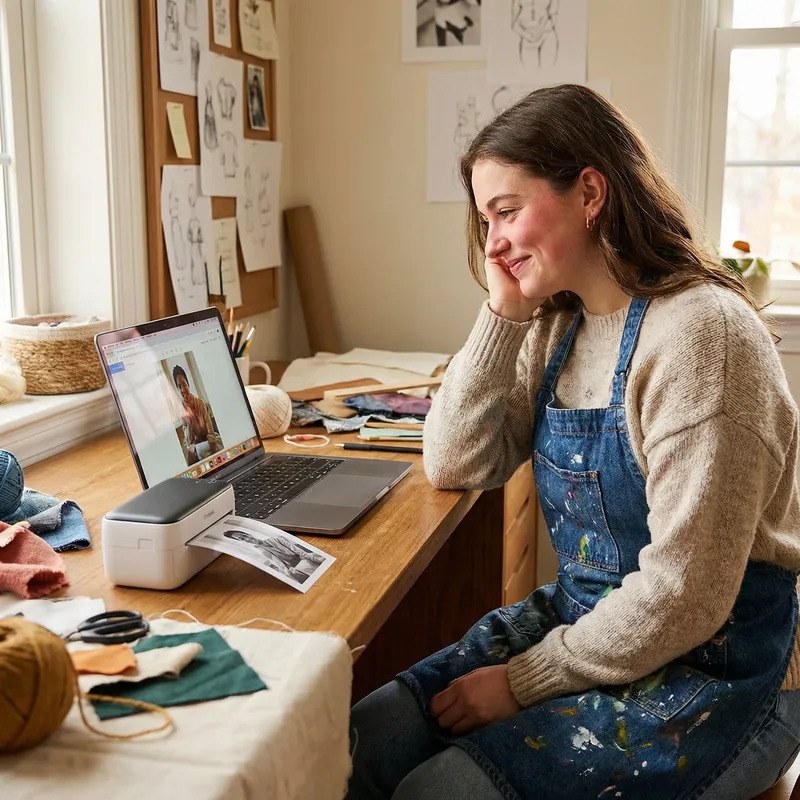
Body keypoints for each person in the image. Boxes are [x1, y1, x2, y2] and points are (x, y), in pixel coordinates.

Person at [348, 84, 800, 800]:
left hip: (719, 667)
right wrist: (504, 311)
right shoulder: (561, 324)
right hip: (592, 625)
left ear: (590, 193)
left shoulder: (701, 338)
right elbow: (458, 459)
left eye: (506, 212)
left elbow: (686, 594)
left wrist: (524, 682)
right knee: (364, 740)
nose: (491, 241)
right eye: (484, 219)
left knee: (439, 792)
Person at [222, 529, 324, 583]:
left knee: (310, 560)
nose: (247, 539)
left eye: (244, 536)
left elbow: (299, 551)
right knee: (296, 571)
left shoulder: (277, 539)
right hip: (295, 566)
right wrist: (290, 573)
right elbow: (281, 566)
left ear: (248, 534)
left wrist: (311, 557)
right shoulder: (262, 551)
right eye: (242, 539)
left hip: (303, 557)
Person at [172, 365, 222, 465]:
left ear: (188, 384)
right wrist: (189, 421)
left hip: (207, 440)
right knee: (193, 452)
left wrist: (207, 443)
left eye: (184, 384)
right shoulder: (182, 410)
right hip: (193, 446)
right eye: (179, 386)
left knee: (217, 443)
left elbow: (211, 432)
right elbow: (189, 442)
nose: (183, 389)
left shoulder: (201, 403)